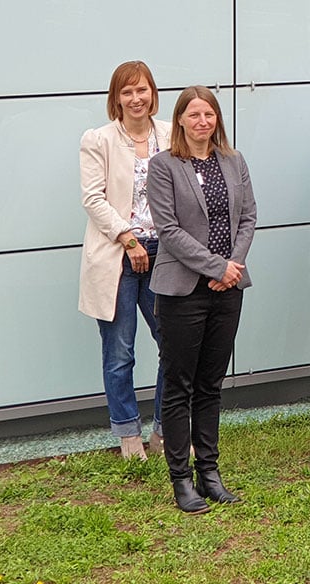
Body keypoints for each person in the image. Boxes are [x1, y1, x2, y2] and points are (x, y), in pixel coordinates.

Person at [148, 86, 257, 513]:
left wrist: (232, 266)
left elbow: (248, 217)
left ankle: (209, 473)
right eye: (194, 114)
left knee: (211, 385)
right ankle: (181, 479)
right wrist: (216, 267)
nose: (202, 121)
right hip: (182, 291)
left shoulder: (233, 161)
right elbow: (168, 230)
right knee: (179, 386)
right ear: (180, 119)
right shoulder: (164, 166)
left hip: (228, 288)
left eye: (209, 114)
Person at [79, 61, 172, 460]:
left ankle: (165, 430)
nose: (136, 98)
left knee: (173, 345)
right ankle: (128, 434)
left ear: (153, 93)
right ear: (116, 98)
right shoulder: (98, 139)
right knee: (120, 353)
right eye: (127, 91)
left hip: (165, 255)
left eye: (142, 90)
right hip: (117, 255)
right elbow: (93, 198)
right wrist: (128, 238)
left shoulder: (171, 134)